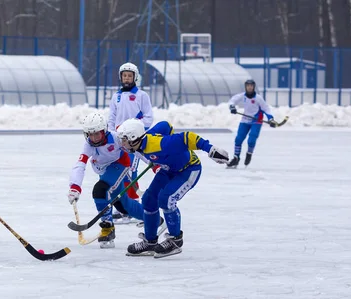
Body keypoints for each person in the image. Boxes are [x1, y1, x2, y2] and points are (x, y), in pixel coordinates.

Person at [116, 118, 229, 258]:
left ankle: (176, 240)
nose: (122, 143)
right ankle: (150, 242)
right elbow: (165, 125)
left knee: (166, 199)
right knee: (148, 199)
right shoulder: (141, 142)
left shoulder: (160, 144)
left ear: (134, 139)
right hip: (168, 169)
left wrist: (210, 149)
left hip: (188, 169)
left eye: (124, 140)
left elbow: (187, 138)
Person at [67, 111, 144, 248]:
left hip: (120, 165)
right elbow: (80, 165)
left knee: (100, 190)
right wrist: (75, 187)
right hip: (105, 171)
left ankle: (107, 228)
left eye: (97, 133)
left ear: (104, 130)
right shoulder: (88, 145)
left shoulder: (116, 138)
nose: (94, 138)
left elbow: (136, 149)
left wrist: (155, 162)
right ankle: (152, 218)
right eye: (90, 134)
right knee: (123, 205)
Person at [108, 62, 154, 223]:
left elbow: (148, 117)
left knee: (131, 172)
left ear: (135, 77)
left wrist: (137, 130)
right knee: (119, 172)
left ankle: (134, 207)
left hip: (134, 141)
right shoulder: (116, 96)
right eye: (124, 75)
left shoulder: (142, 96)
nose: (127, 78)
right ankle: (123, 208)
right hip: (119, 141)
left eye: (130, 76)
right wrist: (112, 134)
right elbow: (112, 118)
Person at [226, 79, 276, 168]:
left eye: (251, 86)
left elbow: (266, 109)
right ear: (246, 87)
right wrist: (232, 107)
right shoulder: (242, 96)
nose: (249, 87)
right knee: (238, 139)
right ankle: (236, 158)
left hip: (256, 121)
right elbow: (232, 100)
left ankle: (249, 153)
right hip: (245, 120)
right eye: (248, 86)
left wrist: (271, 119)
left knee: (251, 140)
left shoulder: (258, 98)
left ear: (253, 87)